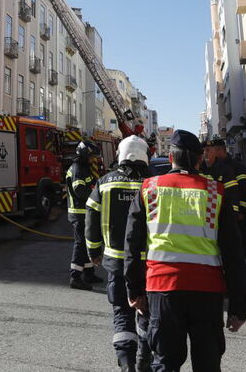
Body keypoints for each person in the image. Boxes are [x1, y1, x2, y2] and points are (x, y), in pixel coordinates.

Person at [125, 130, 246, 372]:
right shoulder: (215, 191)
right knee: (207, 364)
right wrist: (237, 306)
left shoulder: (150, 188)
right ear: (200, 159)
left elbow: (132, 244)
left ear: (171, 158)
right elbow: (233, 252)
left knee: (165, 363)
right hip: (207, 291)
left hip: (162, 288)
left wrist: (134, 290)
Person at [86, 135, 153, 372]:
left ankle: (126, 363)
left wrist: (93, 250)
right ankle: (144, 359)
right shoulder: (153, 182)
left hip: (116, 263)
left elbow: (91, 218)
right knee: (146, 312)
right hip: (148, 264)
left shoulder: (105, 182)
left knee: (122, 313)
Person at [66, 141, 102, 289]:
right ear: (85, 155)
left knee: (86, 243)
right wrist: (95, 197)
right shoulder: (77, 168)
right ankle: (75, 277)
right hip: (79, 212)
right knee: (80, 244)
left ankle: (88, 273)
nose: (93, 160)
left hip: (83, 212)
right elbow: (79, 190)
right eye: (91, 156)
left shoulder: (83, 168)